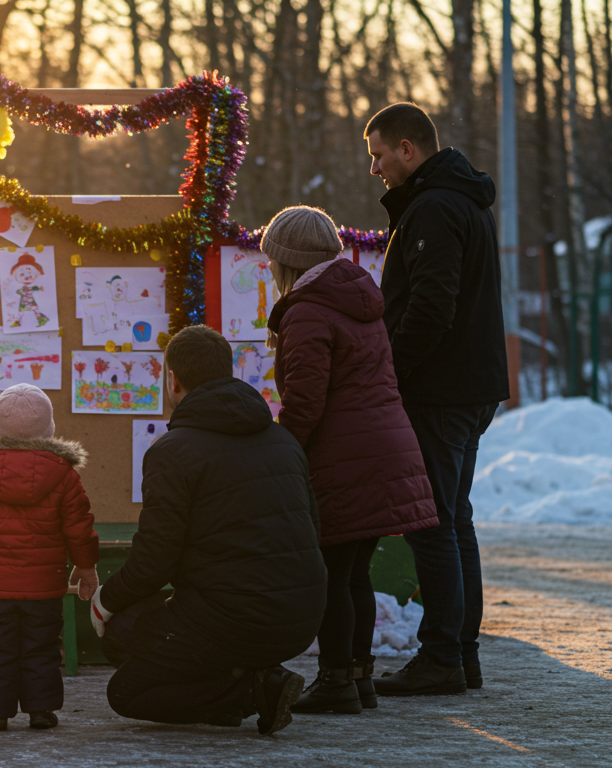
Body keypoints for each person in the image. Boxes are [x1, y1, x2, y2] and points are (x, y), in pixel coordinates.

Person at [91, 325, 327, 734]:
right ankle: (250, 679)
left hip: (233, 619)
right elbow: (313, 527)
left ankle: (253, 691)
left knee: (125, 682)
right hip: (303, 618)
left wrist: (103, 602)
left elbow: (155, 561)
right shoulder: (283, 439)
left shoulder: (171, 451)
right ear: (229, 372)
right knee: (160, 627)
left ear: (173, 380)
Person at [261, 205, 438, 713]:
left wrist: (278, 449)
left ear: (287, 262)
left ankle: (337, 681)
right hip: (382, 450)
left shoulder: (309, 310)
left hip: (345, 458)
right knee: (354, 572)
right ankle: (358, 677)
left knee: (331, 575)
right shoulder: (359, 300)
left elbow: (306, 402)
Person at [363, 103, 509, 696]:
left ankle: (443, 656)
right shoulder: (460, 201)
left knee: (433, 524)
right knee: (456, 521)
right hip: (470, 389)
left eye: (377, 154)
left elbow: (430, 308)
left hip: (441, 393)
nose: (374, 168)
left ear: (407, 148)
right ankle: (460, 653)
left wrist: (386, 376)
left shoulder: (434, 208)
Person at [0, 383, 100, 732]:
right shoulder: (64, 475)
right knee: (41, 649)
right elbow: (79, 527)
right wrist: (86, 568)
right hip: (44, 587)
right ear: (49, 429)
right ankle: (41, 712)